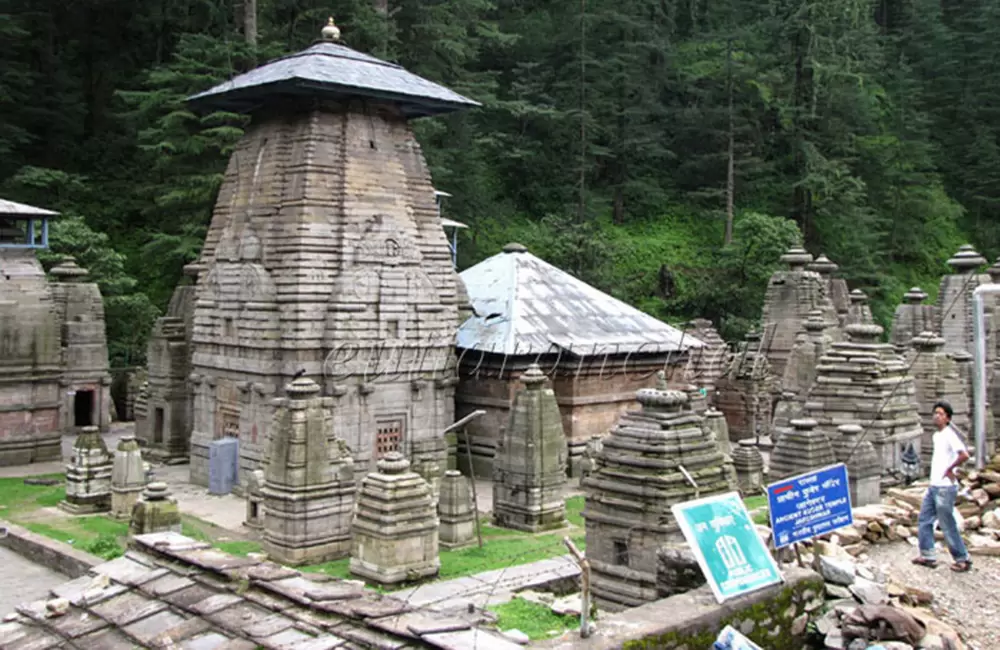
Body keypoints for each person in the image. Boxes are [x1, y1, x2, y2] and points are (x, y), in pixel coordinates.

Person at [912, 400, 972, 572]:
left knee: (947, 523)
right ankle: (928, 554)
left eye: (941, 414)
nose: (936, 416)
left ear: (947, 418)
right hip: (934, 485)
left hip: (945, 487)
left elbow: (964, 455)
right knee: (924, 519)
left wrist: (951, 469)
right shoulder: (936, 436)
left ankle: (962, 558)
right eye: (935, 413)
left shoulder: (949, 434)